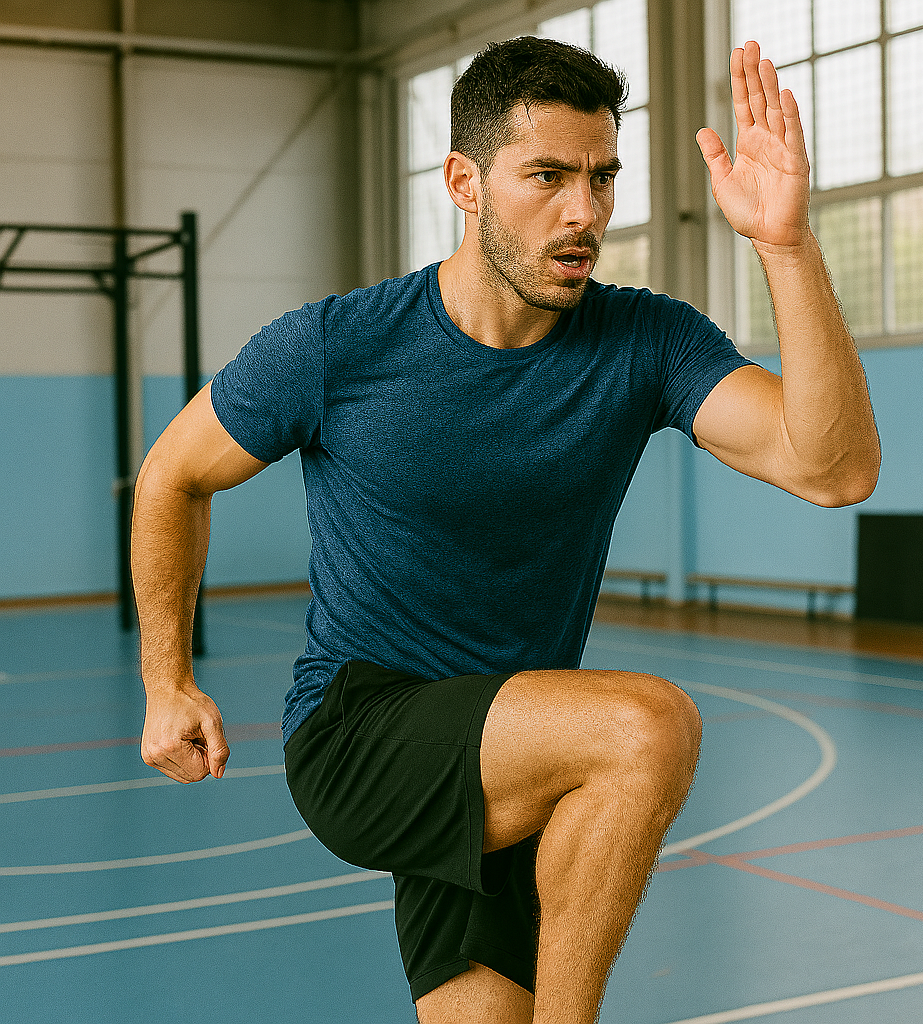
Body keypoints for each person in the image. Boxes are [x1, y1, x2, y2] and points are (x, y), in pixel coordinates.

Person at [132, 35, 880, 1024]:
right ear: (464, 181)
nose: (584, 213)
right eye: (547, 176)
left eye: (602, 177)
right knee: (645, 728)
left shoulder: (644, 339)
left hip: (517, 746)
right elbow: (171, 475)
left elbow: (833, 468)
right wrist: (165, 680)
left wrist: (783, 244)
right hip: (364, 731)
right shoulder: (335, 346)